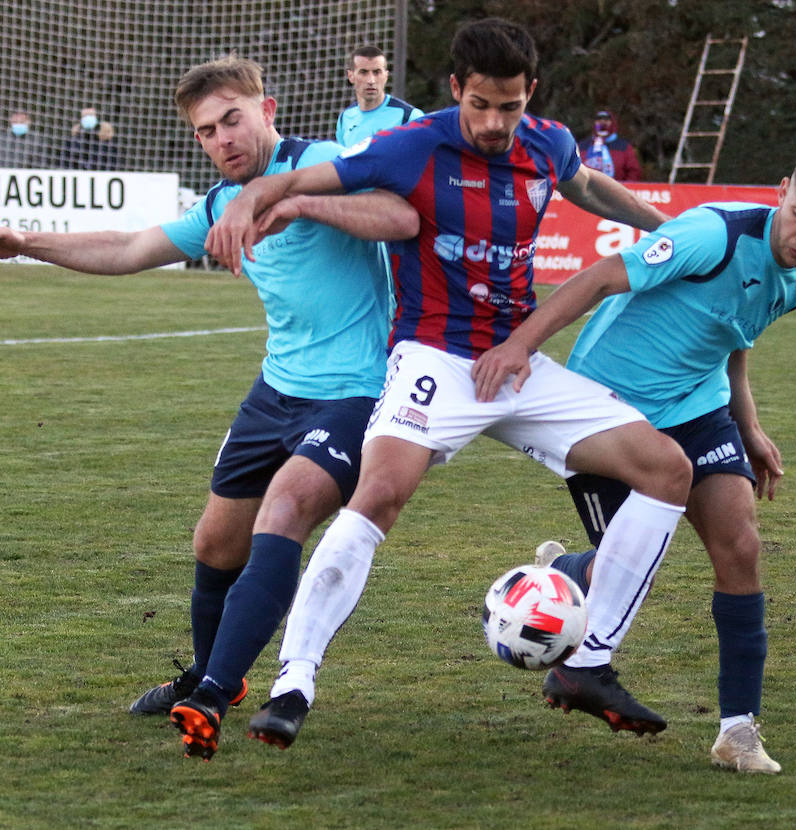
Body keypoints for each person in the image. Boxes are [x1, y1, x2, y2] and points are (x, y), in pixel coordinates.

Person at [204, 17, 693, 751]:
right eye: (480, 105)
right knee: (377, 495)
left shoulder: (549, 144)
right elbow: (298, 178)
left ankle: (589, 666)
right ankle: (293, 684)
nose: (495, 123)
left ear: (531, 94)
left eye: (511, 106)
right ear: (456, 89)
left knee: (667, 470)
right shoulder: (412, 145)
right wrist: (250, 202)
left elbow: (590, 186)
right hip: (433, 358)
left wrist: (673, 231)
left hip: (518, 362)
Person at [0, 56, 419, 760]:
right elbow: (129, 247)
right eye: (207, 131)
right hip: (275, 391)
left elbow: (401, 216)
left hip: (357, 391)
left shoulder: (322, 163)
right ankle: (211, 674)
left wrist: (300, 202)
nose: (222, 139)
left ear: (266, 111)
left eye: (232, 119)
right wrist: (27, 244)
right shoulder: (217, 204)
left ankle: (211, 692)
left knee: (286, 510)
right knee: (215, 544)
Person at [475, 134, 796, 773]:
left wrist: (748, 424)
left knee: (741, 548)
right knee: (627, 570)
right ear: (781, 193)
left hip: (696, 408)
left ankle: (738, 731)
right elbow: (601, 277)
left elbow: (733, 333)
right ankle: (574, 573)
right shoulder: (714, 234)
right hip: (609, 410)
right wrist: (520, 347)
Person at [335, 45, 424, 146]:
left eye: (377, 72)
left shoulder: (410, 117)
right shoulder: (345, 117)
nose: (371, 80)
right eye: (363, 72)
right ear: (351, 76)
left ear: (386, 76)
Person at [577, 108, 641, 182]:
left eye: (606, 119)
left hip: (617, 186)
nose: (602, 122)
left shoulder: (624, 146)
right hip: (588, 187)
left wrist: (626, 186)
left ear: (612, 123)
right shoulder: (583, 146)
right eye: (599, 119)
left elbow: (633, 171)